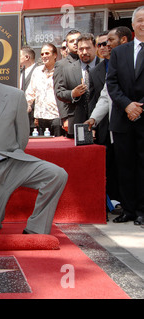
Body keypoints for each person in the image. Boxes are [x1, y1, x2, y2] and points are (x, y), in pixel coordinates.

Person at [0, 48, 68, 235]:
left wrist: (13, 155)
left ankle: (35, 228)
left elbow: (22, 135)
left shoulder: (16, 96)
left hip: (13, 163)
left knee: (57, 175)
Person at [85, 27, 133, 219]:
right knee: (124, 169)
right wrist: (94, 118)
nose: (106, 46)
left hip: (137, 120)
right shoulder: (113, 63)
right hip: (119, 126)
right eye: (102, 44)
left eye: (109, 41)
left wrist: (133, 106)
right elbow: (106, 95)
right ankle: (130, 209)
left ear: (122, 40)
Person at [106, 6, 144, 226]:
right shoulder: (119, 52)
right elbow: (112, 83)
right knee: (125, 166)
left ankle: (141, 210)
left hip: (143, 118)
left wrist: (139, 107)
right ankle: (128, 209)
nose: (142, 24)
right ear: (133, 25)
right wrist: (127, 105)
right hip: (122, 118)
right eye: (139, 20)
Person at [54, 33, 100, 137]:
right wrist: (72, 94)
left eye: (88, 48)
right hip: (77, 122)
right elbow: (59, 92)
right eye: (81, 49)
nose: (84, 52)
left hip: (102, 122)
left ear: (95, 47)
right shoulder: (68, 69)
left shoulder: (104, 66)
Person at [25, 43, 62, 136]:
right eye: (42, 54)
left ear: (55, 55)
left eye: (47, 53)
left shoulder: (61, 70)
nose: (44, 56)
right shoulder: (37, 71)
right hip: (40, 118)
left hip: (57, 117)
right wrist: (26, 106)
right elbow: (30, 93)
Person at [20, 46, 38, 135]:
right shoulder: (20, 72)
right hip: (22, 118)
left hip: (34, 117)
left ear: (27, 57)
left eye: (19, 56)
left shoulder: (39, 70)